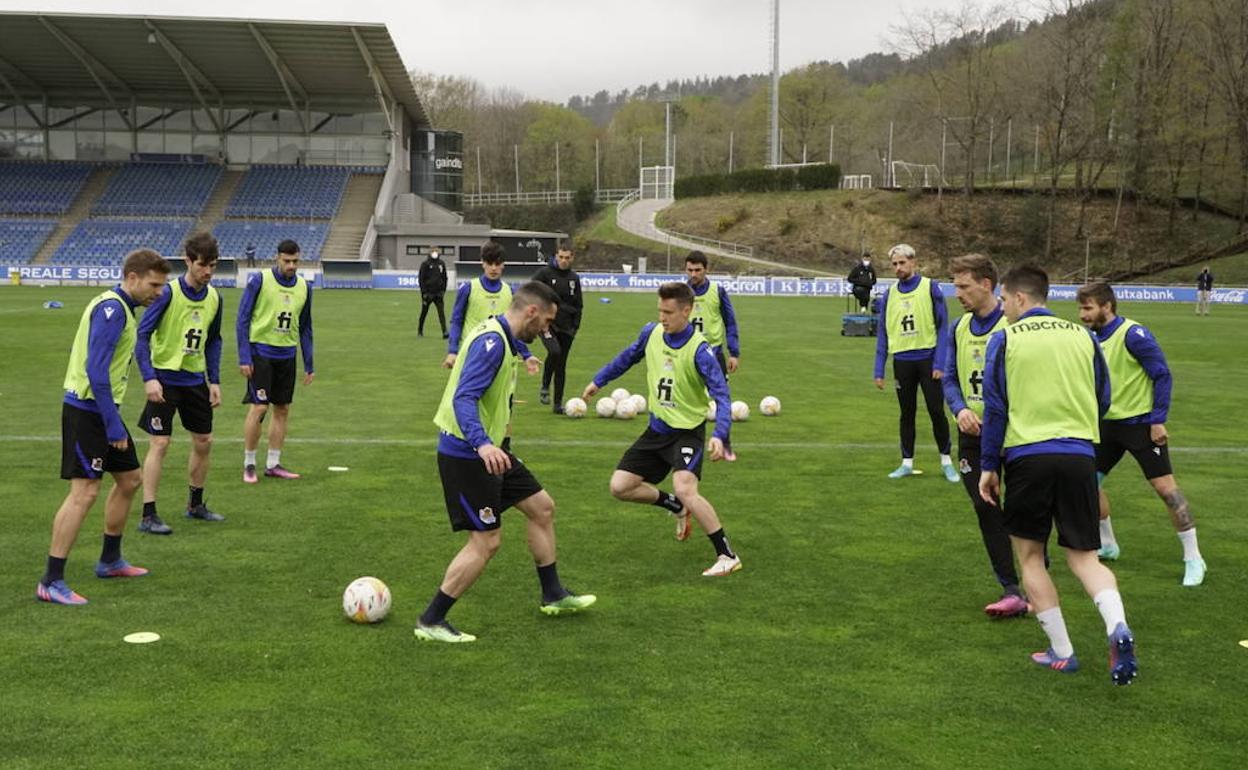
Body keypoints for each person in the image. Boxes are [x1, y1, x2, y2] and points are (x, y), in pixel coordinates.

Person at [979, 264, 1137, 685]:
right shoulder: (1084, 336)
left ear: (1018, 298)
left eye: (1006, 301)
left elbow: (995, 408)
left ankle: (1062, 652)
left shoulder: (1005, 338)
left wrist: (989, 465)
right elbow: (1103, 397)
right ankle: (1117, 625)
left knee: (1030, 556)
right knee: (1085, 557)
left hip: (1028, 455)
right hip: (1080, 455)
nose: (1005, 308)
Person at [414, 281, 596, 643]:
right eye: (546, 320)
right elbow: (464, 398)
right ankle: (431, 620)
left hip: (493, 452)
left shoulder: (500, 332)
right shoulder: (491, 344)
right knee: (486, 542)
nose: (547, 329)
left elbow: (509, 339)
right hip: (468, 454)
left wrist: (525, 354)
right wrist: (482, 445)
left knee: (542, 508)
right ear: (531, 311)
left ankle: (553, 594)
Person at [37, 249, 170, 605]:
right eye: (153, 285)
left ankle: (110, 560)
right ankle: (51, 580)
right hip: (88, 412)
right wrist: (112, 426)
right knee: (84, 493)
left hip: (103, 410)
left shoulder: (123, 309)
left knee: (129, 479)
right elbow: (96, 371)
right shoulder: (112, 311)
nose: (157, 293)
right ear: (132, 277)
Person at [582, 282, 741, 576]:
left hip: (686, 433)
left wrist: (720, 434)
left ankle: (727, 554)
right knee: (620, 487)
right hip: (656, 430)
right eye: (659, 311)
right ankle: (675, 507)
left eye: (668, 312)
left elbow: (722, 395)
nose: (662, 318)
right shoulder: (651, 333)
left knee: (686, 488)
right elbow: (626, 358)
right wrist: (598, 381)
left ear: (686, 310)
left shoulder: (701, 351)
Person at [1076, 282, 1206, 586]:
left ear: (1107, 306)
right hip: (1105, 426)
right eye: (1081, 308)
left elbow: (1161, 374)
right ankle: (1108, 544)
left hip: (1140, 425)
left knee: (1166, 490)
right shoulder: (1088, 337)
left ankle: (1194, 557)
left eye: (1088, 308)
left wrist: (1158, 419)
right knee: (1087, 484)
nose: (1082, 315)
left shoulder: (1133, 335)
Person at [943, 254, 1027, 617]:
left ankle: (1037, 575)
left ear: (987, 285)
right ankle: (1011, 587)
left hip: (1014, 434)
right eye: (955, 285)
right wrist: (960, 409)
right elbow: (948, 377)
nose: (957, 293)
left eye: (964, 286)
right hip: (973, 437)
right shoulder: (959, 328)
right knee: (986, 505)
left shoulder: (1013, 327)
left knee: (1024, 510)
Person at [135, 232, 225, 535]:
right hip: (164, 378)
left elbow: (213, 341)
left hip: (194, 379)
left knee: (204, 441)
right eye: (202, 265)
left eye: (212, 265)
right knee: (160, 443)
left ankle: (195, 505)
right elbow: (142, 335)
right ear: (188, 260)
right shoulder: (168, 294)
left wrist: (214, 380)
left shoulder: (215, 297)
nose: (208, 272)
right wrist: (149, 377)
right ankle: (148, 514)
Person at [873, 243, 956, 481]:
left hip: (928, 360)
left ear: (913, 263)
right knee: (906, 413)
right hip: (902, 362)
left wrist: (940, 363)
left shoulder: (931, 288)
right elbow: (883, 333)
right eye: (894, 264)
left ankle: (946, 461)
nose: (898, 268)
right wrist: (879, 369)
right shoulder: (889, 295)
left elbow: (943, 327)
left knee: (935, 411)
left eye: (902, 263)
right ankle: (906, 463)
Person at [237, 239, 313, 483]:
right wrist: (244, 356)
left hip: (287, 355)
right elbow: (243, 319)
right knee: (259, 407)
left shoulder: (304, 287)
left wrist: (309, 363)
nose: (291, 266)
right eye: (287, 261)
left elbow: (306, 327)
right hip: (261, 354)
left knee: (282, 409)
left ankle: (273, 463)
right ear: (277, 258)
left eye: (295, 261)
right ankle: (249, 463)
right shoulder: (260, 281)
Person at [444, 241, 539, 375]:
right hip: (473, 355)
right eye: (490, 263)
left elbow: (514, 328)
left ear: (503, 265)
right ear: (483, 263)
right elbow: (456, 321)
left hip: (501, 356)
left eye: (497, 264)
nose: (493, 268)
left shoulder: (510, 292)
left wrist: (526, 355)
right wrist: (453, 351)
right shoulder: (468, 289)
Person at [533, 243, 584, 413]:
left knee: (561, 365)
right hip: (547, 324)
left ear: (572, 258)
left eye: (567, 258)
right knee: (554, 352)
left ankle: (557, 404)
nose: (563, 261)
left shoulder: (574, 278)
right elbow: (531, 291)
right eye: (561, 257)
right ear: (556, 256)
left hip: (567, 328)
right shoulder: (545, 274)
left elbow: (579, 305)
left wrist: (575, 327)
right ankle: (545, 386)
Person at [685, 251, 740, 375]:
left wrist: (733, 353)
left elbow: (730, 323)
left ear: (706, 269)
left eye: (697, 270)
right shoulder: (680, 293)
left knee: (719, 394)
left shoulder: (718, 291)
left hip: (714, 353)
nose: (693, 274)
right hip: (688, 354)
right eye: (690, 270)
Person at [418, 248, 449, 338]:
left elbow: (444, 277)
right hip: (428, 294)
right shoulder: (425, 264)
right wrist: (424, 293)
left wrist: (443, 290)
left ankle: (444, 332)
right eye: (433, 252)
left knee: (441, 313)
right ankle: (420, 330)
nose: (435, 253)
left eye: (437, 252)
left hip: (438, 294)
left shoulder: (441, 264)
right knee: (424, 312)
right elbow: (421, 279)